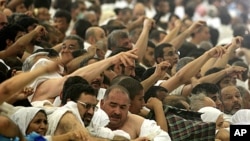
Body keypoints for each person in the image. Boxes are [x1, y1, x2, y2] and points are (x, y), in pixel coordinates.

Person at [100, 85, 171, 140]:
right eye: (113, 105)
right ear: (102, 104)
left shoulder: (136, 121)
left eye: (122, 107)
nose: (117, 112)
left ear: (128, 108)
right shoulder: (91, 118)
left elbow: (163, 137)